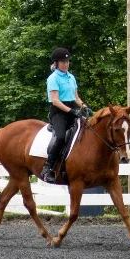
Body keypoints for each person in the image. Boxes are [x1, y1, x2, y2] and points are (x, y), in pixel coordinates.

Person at [40, 47, 89, 184]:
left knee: (87, 132)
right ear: (56, 63)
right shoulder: (53, 78)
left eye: (67, 62)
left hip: (72, 110)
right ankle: (47, 168)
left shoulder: (71, 77)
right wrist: (71, 111)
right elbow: (55, 100)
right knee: (61, 137)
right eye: (63, 62)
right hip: (59, 113)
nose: (66, 64)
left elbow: (76, 98)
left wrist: (84, 106)